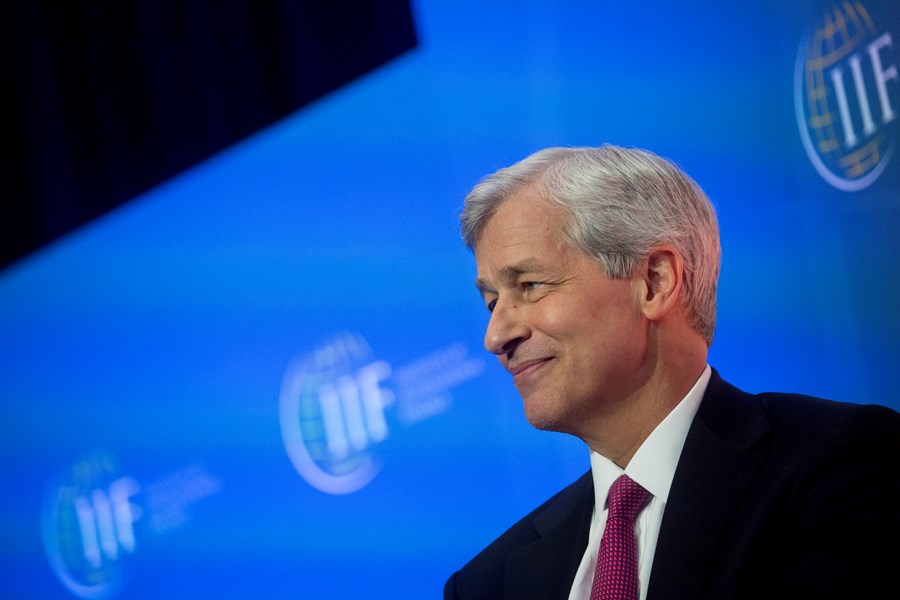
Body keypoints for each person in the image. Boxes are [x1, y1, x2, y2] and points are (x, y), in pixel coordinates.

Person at [444, 145, 900, 600]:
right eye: (491, 302)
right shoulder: (489, 585)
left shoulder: (835, 462)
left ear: (654, 281)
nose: (495, 336)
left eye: (530, 285)